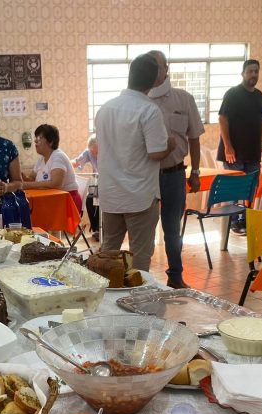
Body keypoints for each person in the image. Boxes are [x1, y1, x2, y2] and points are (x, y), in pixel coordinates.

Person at [95, 53, 174, 272]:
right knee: (140, 255)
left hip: (111, 194)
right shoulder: (149, 110)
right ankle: (136, 300)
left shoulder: (105, 109)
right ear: (155, 80)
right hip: (140, 195)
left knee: (108, 251)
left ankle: (103, 301)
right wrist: (171, 145)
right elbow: (156, 153)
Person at [148, 50, 205, 289]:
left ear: (166, 69)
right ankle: (142, 278)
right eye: (150, 66)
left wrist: (195, 172)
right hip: (147, 176)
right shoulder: (140, 101)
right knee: (145, 228)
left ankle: (175, 275)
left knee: (172, 228)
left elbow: (194, 138)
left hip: (174, 173)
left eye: (158, 66)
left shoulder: (184, 99)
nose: (155, 70)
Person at [217, 59, 262, 234]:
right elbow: (223, 119)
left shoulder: (259, 95)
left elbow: (258, 121)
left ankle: (245, 219)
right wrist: (228, 147)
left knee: (250, 188)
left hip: (253, 153)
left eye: (256, 71)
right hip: (234, 153)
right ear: (243, 73)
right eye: (250, 71)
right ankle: (233, 221)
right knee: (234, 189)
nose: (253, 75)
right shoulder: (233, 93)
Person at [21, 124, 82, 212]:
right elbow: (31, 178)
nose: (35, 141)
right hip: (51, 200)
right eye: (35, 138)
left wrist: (29, 185)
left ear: (51, 142)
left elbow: (56, 184)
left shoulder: (58, 156)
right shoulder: (42, 159)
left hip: (67, 201)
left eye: (39, 138)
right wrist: (23, 177)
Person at [72, 135, 100, 237]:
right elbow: (75, 162)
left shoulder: (108, 150)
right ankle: (96, 229)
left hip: (110, 182)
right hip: (98, 183)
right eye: (93, 152)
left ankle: (102, 229)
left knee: (101, 202)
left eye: (96, 152)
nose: (95, 155)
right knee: (89, 200)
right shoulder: (88, 152)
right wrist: (65, 165)